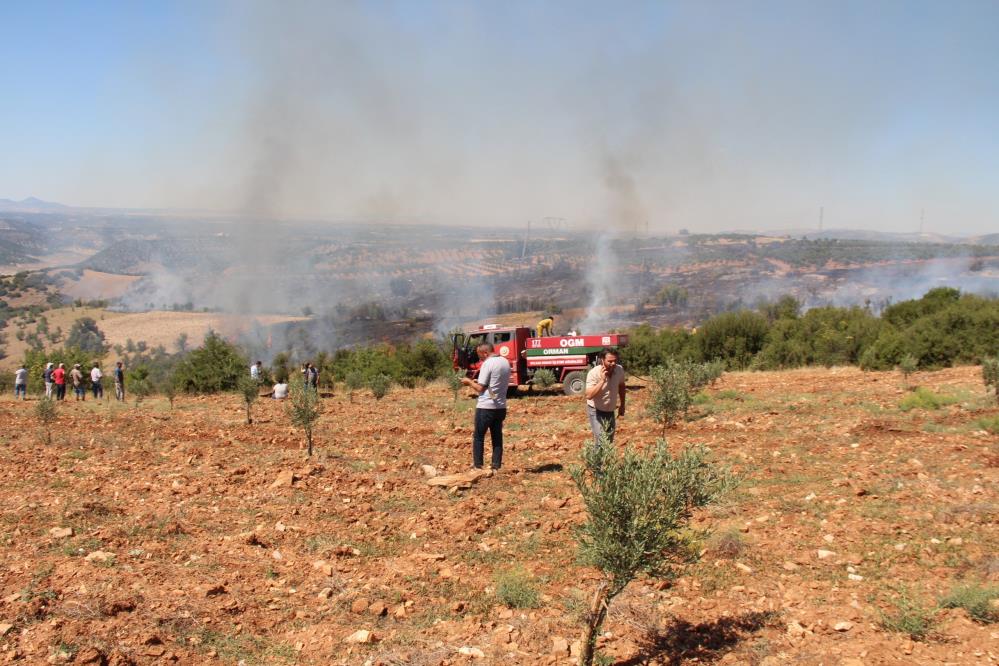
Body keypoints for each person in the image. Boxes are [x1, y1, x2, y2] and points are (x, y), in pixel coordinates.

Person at [461, 342, 511, 473]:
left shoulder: (488, 363)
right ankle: (496, 466)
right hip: (500, 406)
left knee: (478, 436)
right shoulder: (505, 362)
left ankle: (478, 466)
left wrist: (469, 382)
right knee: (497, 436)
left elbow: (480, 388)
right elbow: (494, 384)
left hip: (486, 407)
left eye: (480, 356)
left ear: (485, 353)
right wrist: (482, 383)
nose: (480, 359)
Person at [584, 348, 626, 447]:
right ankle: (596, 462)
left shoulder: (619, 370)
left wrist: (622, 405)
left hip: (610, 411)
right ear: (602, 360)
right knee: (601, 440)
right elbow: (589, 395)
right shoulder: (593, 373)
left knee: (609, 441)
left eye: (615, 361)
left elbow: (622, 386)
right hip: (596, 410)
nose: (613, 363)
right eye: (610, 361)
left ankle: (605, 462)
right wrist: (602, 381)